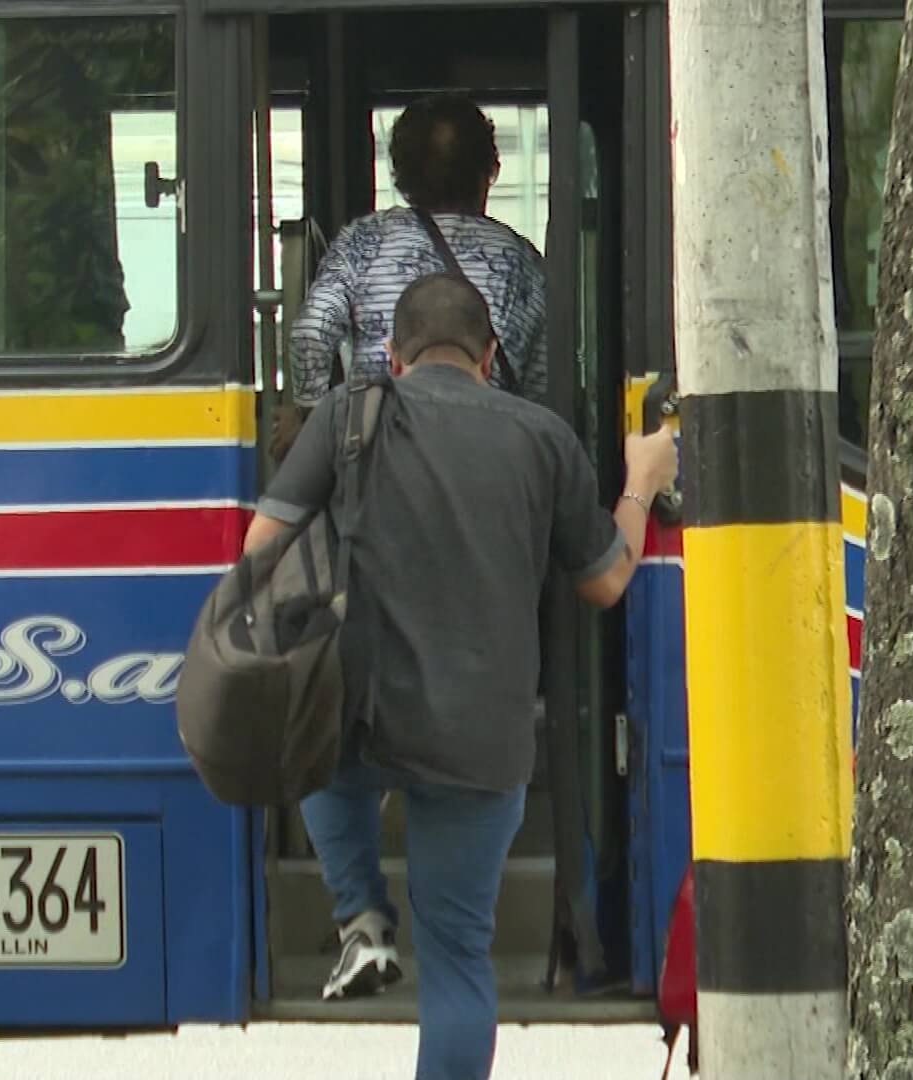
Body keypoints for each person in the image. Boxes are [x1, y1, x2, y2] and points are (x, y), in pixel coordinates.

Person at [245, 273, 680, 1080]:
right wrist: (641, 483)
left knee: (308, 750)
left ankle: (361, 914)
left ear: (391, 354)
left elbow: (260, 548)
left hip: (361, 715)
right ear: (490, 356)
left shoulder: (347, 415)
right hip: (483, 736)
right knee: (456, 955)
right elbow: (607, 580)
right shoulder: (541, 436)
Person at [275, 94, 548, 457]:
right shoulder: (523, 259)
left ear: (401, 173)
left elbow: (312, 331)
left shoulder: (363, 241)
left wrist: (310, 416)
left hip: (380, 456)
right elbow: (540, 384)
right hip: (487, 455)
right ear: (491, 171)